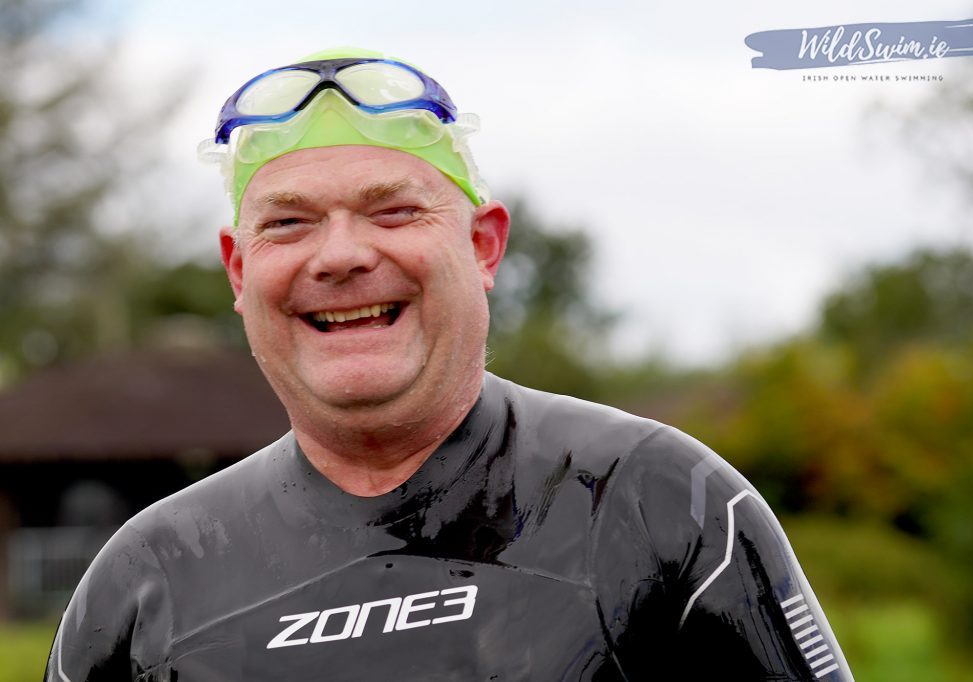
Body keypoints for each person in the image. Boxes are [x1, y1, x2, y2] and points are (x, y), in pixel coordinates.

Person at [46, 47, 854, 681]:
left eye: (393, 211)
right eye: (288, 223)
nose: (341, 255)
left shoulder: (658, 502)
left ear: (483, 246)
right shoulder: (147, 579)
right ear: (237, 270)